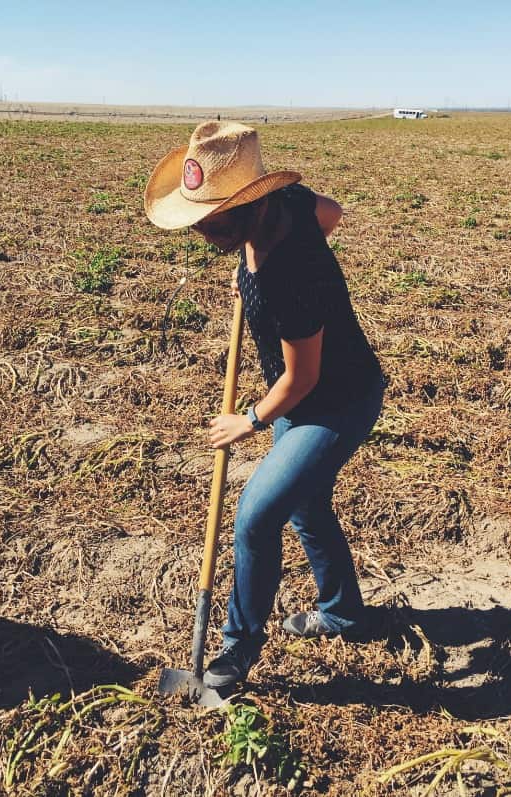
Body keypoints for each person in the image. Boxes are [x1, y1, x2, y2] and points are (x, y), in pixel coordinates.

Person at [144, 121, 385, 690]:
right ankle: (344, 614)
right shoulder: (288, 206)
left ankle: (233, 655)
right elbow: (333, 212)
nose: (200, 228)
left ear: (244, 208)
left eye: (209, 217)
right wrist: (244, 273)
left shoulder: (290, 275)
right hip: (304, 393)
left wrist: (247, 421)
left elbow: (302, 380)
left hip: (336, 401)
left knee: (256, 514)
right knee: (304, 504)